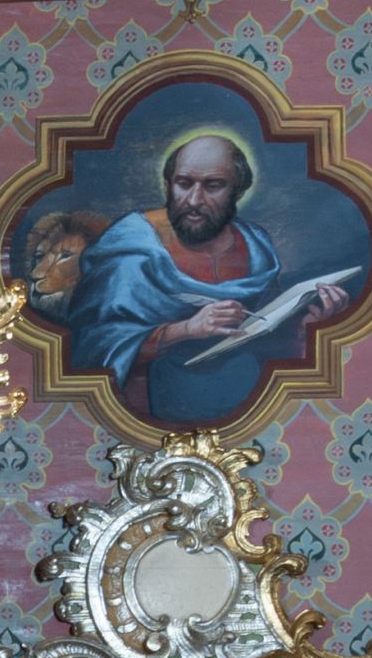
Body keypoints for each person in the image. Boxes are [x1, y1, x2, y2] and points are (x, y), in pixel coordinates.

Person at [61, 130, 356, 432]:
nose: (194, 200)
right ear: (169, 184)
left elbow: (261, 333)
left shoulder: (256, 246)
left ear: (237, 191)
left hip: (253, 409)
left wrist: (305, 329)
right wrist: (186, 329)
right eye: (184, 183)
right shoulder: (130, 249)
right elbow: (91, 347)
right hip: (150, 414)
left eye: (213, 186)